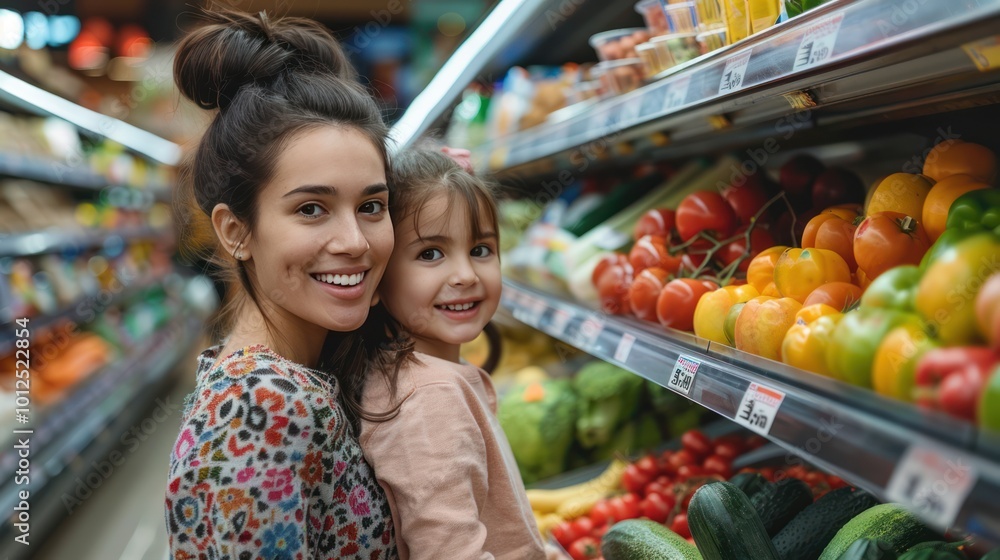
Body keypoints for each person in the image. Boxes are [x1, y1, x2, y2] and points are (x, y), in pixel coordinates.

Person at [164, 9, 406, 559]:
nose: (355, 241)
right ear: (236, 230)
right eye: (312, 208)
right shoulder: (264, 406)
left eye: (372, 205)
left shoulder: (292, 379)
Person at [359, 149, 547, 560]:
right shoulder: (429, 399)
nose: (465, 275)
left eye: (480, 250)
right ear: (380, 272)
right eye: (431, 254)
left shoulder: (422, 376)